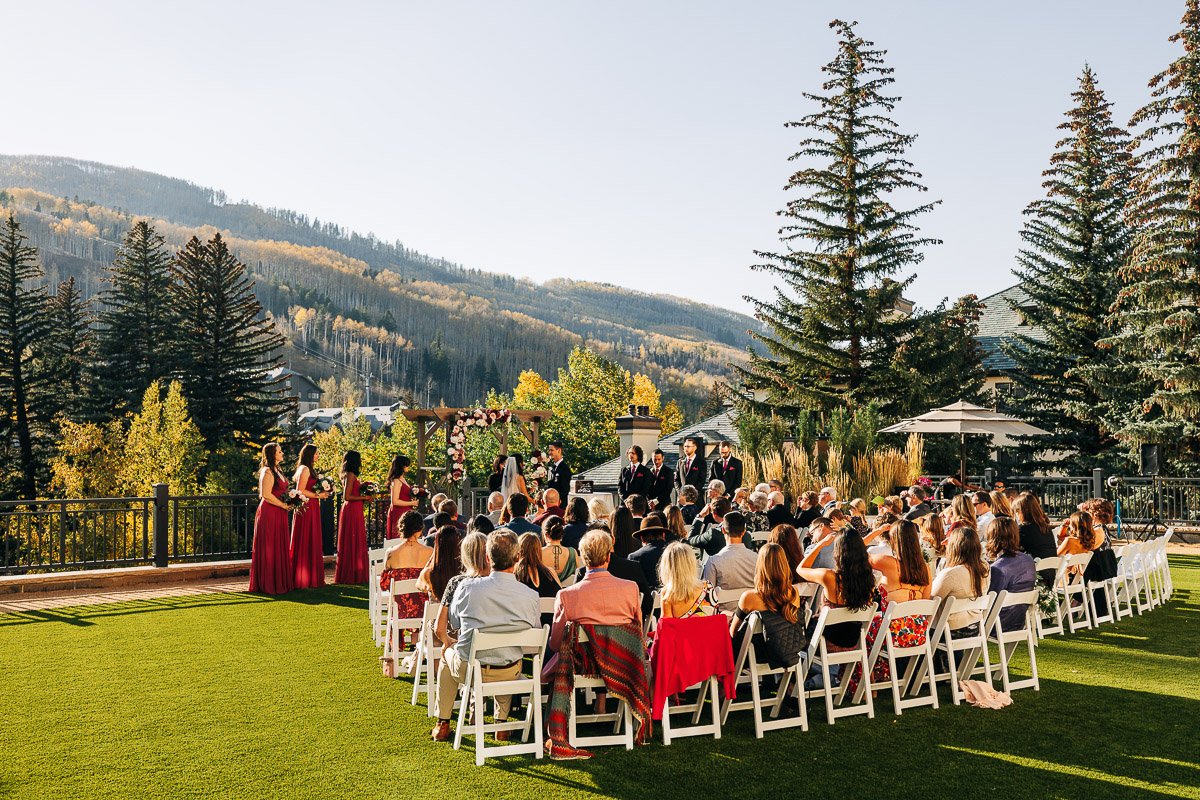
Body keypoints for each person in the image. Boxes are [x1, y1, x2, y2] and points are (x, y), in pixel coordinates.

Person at [432, 531, 539, 743]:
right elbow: (532, 634)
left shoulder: (467, 587)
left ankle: (442, 723)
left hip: (470, 670)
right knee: (508, 657)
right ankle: (501, 723)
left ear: (488, 558)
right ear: (518, 558)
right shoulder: (530, 595)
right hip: (508, 672)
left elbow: (453, 624)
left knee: (446, 653)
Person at [549, 531, 641, 651]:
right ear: (608, 557)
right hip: (621, 664)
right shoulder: (631, 589)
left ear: (582, 557)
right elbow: (637, 634)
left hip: (581, 667)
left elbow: (556, 645)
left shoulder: (565, 596)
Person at [796, 530, 876, 650]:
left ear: (838, 551)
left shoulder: (829, 576)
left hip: (826, 641)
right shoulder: (869, 579)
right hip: (852, 641)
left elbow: (800, 569)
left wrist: (820, 544)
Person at [730, 543, 806, 665]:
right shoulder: (793, 592)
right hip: (784, 651)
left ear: (760, 566)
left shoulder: (749, 597)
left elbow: (733, 633)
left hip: (754, 657)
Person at [250, 442, 294, 595]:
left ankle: (279, 581)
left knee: (278, 544)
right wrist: (282, 505)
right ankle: (268, 583)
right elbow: (266, 494)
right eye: (279, 451)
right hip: (270, 512)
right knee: (269, 545)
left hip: (279, 511)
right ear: (272, 454)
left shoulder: (278, 470)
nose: (282, 453)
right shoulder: (267, 471)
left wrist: (291, 500)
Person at [435, 532, 491, 652]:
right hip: (501, 651)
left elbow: (439, 629)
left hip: (469, 649)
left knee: (446, 652)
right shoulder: (497, 581)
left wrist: (447, 641)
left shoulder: (456, 583)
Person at [931, 527, 991, 633]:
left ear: (954, 548)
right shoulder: (985, 567)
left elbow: (931, 601)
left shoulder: (950, 574)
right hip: (975, 628)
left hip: (948, 631)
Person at [701, 512, 759, 613]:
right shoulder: (757, 559)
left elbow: (707, 597)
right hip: (752, 618)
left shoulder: (714, 561)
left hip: (724, 619)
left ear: (723, 530)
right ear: (744, 531)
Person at [290, 442, 329, 589]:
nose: (318, 455)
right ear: (310, 455)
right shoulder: (305, 469)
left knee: (310, 538)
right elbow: (300, 490)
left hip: (311, 506)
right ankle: (303, 577)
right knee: (306, 537)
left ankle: (309, 575)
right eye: (316, 453)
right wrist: (318, 495)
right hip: (306, 506)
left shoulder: (306, 468)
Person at [986, 517, 1036, 631]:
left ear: (993, 538)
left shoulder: (998, 569)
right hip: (1020, 620)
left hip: (999, 624)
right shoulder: (1028, 560)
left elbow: (990, 602)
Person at [334, 449, 371, 584]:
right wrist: (364, 497)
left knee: (355, 538)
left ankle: (356, 571)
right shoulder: (350, 475)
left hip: (355, 508)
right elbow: (347, 496)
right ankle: (352, 573)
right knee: (353, 538)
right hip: (352, 508)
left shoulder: (350, 474)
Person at [658, 541, 716, 619]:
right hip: (709, 631)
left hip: (681, 631)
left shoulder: (668, 594)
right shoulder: (708, 587)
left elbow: (666, 627)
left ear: (667, 567)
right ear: (691, 563)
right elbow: (716, 617)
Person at [1012, 492, 1058, 586]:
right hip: (1049, 576)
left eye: (1016, 511)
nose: (1016, 515)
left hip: (1034, 578)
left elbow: (1011, 550)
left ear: (1022, 511)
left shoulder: (1024, 529)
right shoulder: (1045, 528)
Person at [417, 524, 463, 602]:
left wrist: (433, 557)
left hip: (434, 613)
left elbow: (419, 585)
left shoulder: (429, 573)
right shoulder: (464, 571)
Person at [515, 532, 560, 598]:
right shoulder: (550, 572)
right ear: (539, 550)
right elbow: (561, 597)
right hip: (549, 607)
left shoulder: (514, 574)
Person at [386, 455, 419, 540]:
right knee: (399, 536)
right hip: (399, 512)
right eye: (406, 465)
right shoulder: (396, 480)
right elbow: (395, 501)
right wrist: (412, 503)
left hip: (406, 511)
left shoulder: (402, 478)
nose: (408, 467)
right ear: (402, 466)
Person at [627, 522, 668, 588]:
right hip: (674, 595)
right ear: (663, 535)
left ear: (642, 538)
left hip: (647, 596)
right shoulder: (675, 551)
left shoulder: (634, 557)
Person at [541, 516, 578, 585]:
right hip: (568, 594)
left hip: (544, 594)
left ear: (545, 534)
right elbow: (579, 578)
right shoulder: (572, 552)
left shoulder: (538, 553)